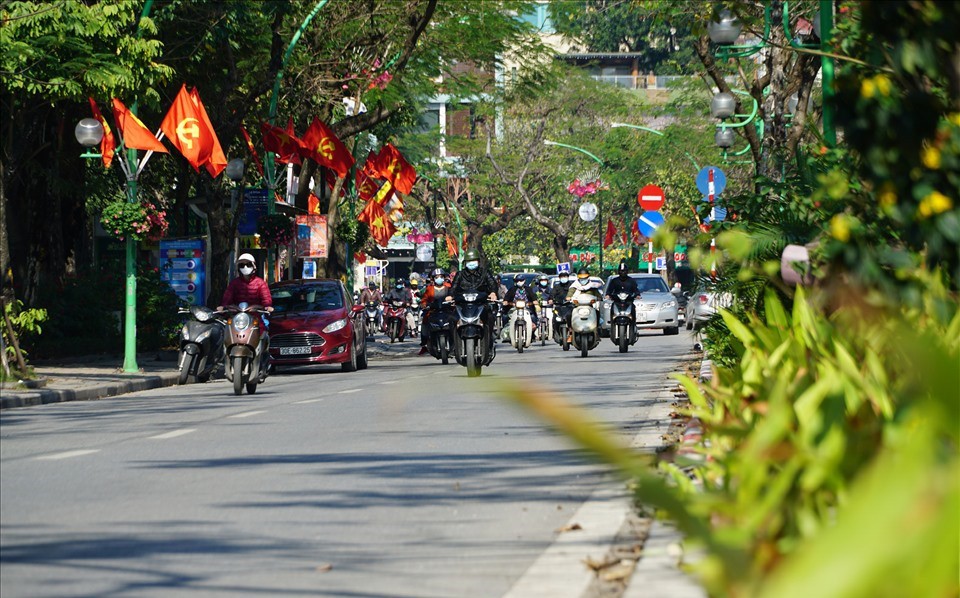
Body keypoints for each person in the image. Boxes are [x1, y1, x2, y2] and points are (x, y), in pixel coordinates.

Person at [219, 253, 273, 378]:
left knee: (263, 334)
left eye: (248, 264)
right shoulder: (234, 284)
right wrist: (223, 306)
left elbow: (266, 298)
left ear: (253, 266)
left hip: (255, 317)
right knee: (227, 332)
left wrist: (267, 306)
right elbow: (228, 296)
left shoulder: (260, 283)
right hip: (238, 318)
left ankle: (263, 361)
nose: (245, 267)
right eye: (242, 265)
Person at [449, 248, 499, 356]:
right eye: (469, 261)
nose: (471, 263)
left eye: (474, 261)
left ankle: (489, 343)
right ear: (465, 263)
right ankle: (453, 345)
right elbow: (453, 287)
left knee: (490, 318)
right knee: (452, 319)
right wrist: (450, 296)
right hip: (463, 305)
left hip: (481, 304)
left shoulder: (485, 273)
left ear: (478, 261)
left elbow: (493, 285)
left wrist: (493, 293)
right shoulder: (460, 274)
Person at [418, 268, 452, 355]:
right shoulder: (429, 289)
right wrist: (424, 304)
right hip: (433, 311)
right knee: (425, 321)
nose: (439, 278)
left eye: (441, 276)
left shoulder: (449, 287)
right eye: (436, 277)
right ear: (433, 279)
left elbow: (455, 296)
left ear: (444, 277)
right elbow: (424, 299)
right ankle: (424, 343)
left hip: (448, 311)